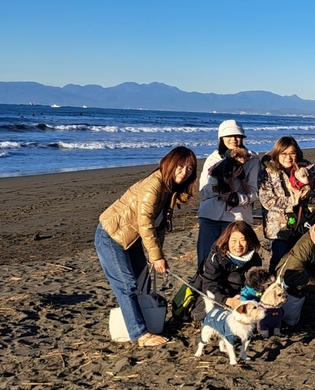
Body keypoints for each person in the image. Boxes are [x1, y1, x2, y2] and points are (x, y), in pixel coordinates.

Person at [94, 146, 196, 347]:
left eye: (189, 169)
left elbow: (159, 228)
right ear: (169, 164)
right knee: (127, 284)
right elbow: (145, 222)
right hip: (112, 236)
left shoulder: (170, 190)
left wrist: (156, 255)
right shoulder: (154, 184)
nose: (184, 173)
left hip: (132, 238)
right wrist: (156, 256)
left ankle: (143, 323)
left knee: (144, 283)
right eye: (180, 167)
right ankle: (139, 334)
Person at [196, 120, 261, 271]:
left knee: (234, 263)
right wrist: (222, 186)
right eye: (229, 135)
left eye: (238, 135)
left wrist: (236, 199)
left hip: (236, 219)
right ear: (221, 138)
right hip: (209, 216)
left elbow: (254, 191)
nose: (234, 139)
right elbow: (203, 189)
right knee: (205, 261)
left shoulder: (251, 160)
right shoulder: (212, 159)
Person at [259, 136, 315, 272]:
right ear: (277, 154)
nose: (288, 157)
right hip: (279, 228)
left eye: (292, 153)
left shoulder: (307, 168)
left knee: (304, 260)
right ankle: (276, 290)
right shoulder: (267, 172)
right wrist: (292, 201)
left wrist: (309, 195)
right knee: (280, 261)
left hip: (303, 223)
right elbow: (266, 200)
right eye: (284, 153)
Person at [190, 220, 263, 321]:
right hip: (217, 294)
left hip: (242, 296)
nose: (238, 245)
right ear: (227, 240)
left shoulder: (254, 258)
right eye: (233, 240)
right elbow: (209, 285)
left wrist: (245, 296)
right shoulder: (216, 257)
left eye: (243, 240)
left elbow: (255, 284)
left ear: (249, 241)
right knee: (235, 278)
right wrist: (227, 300)